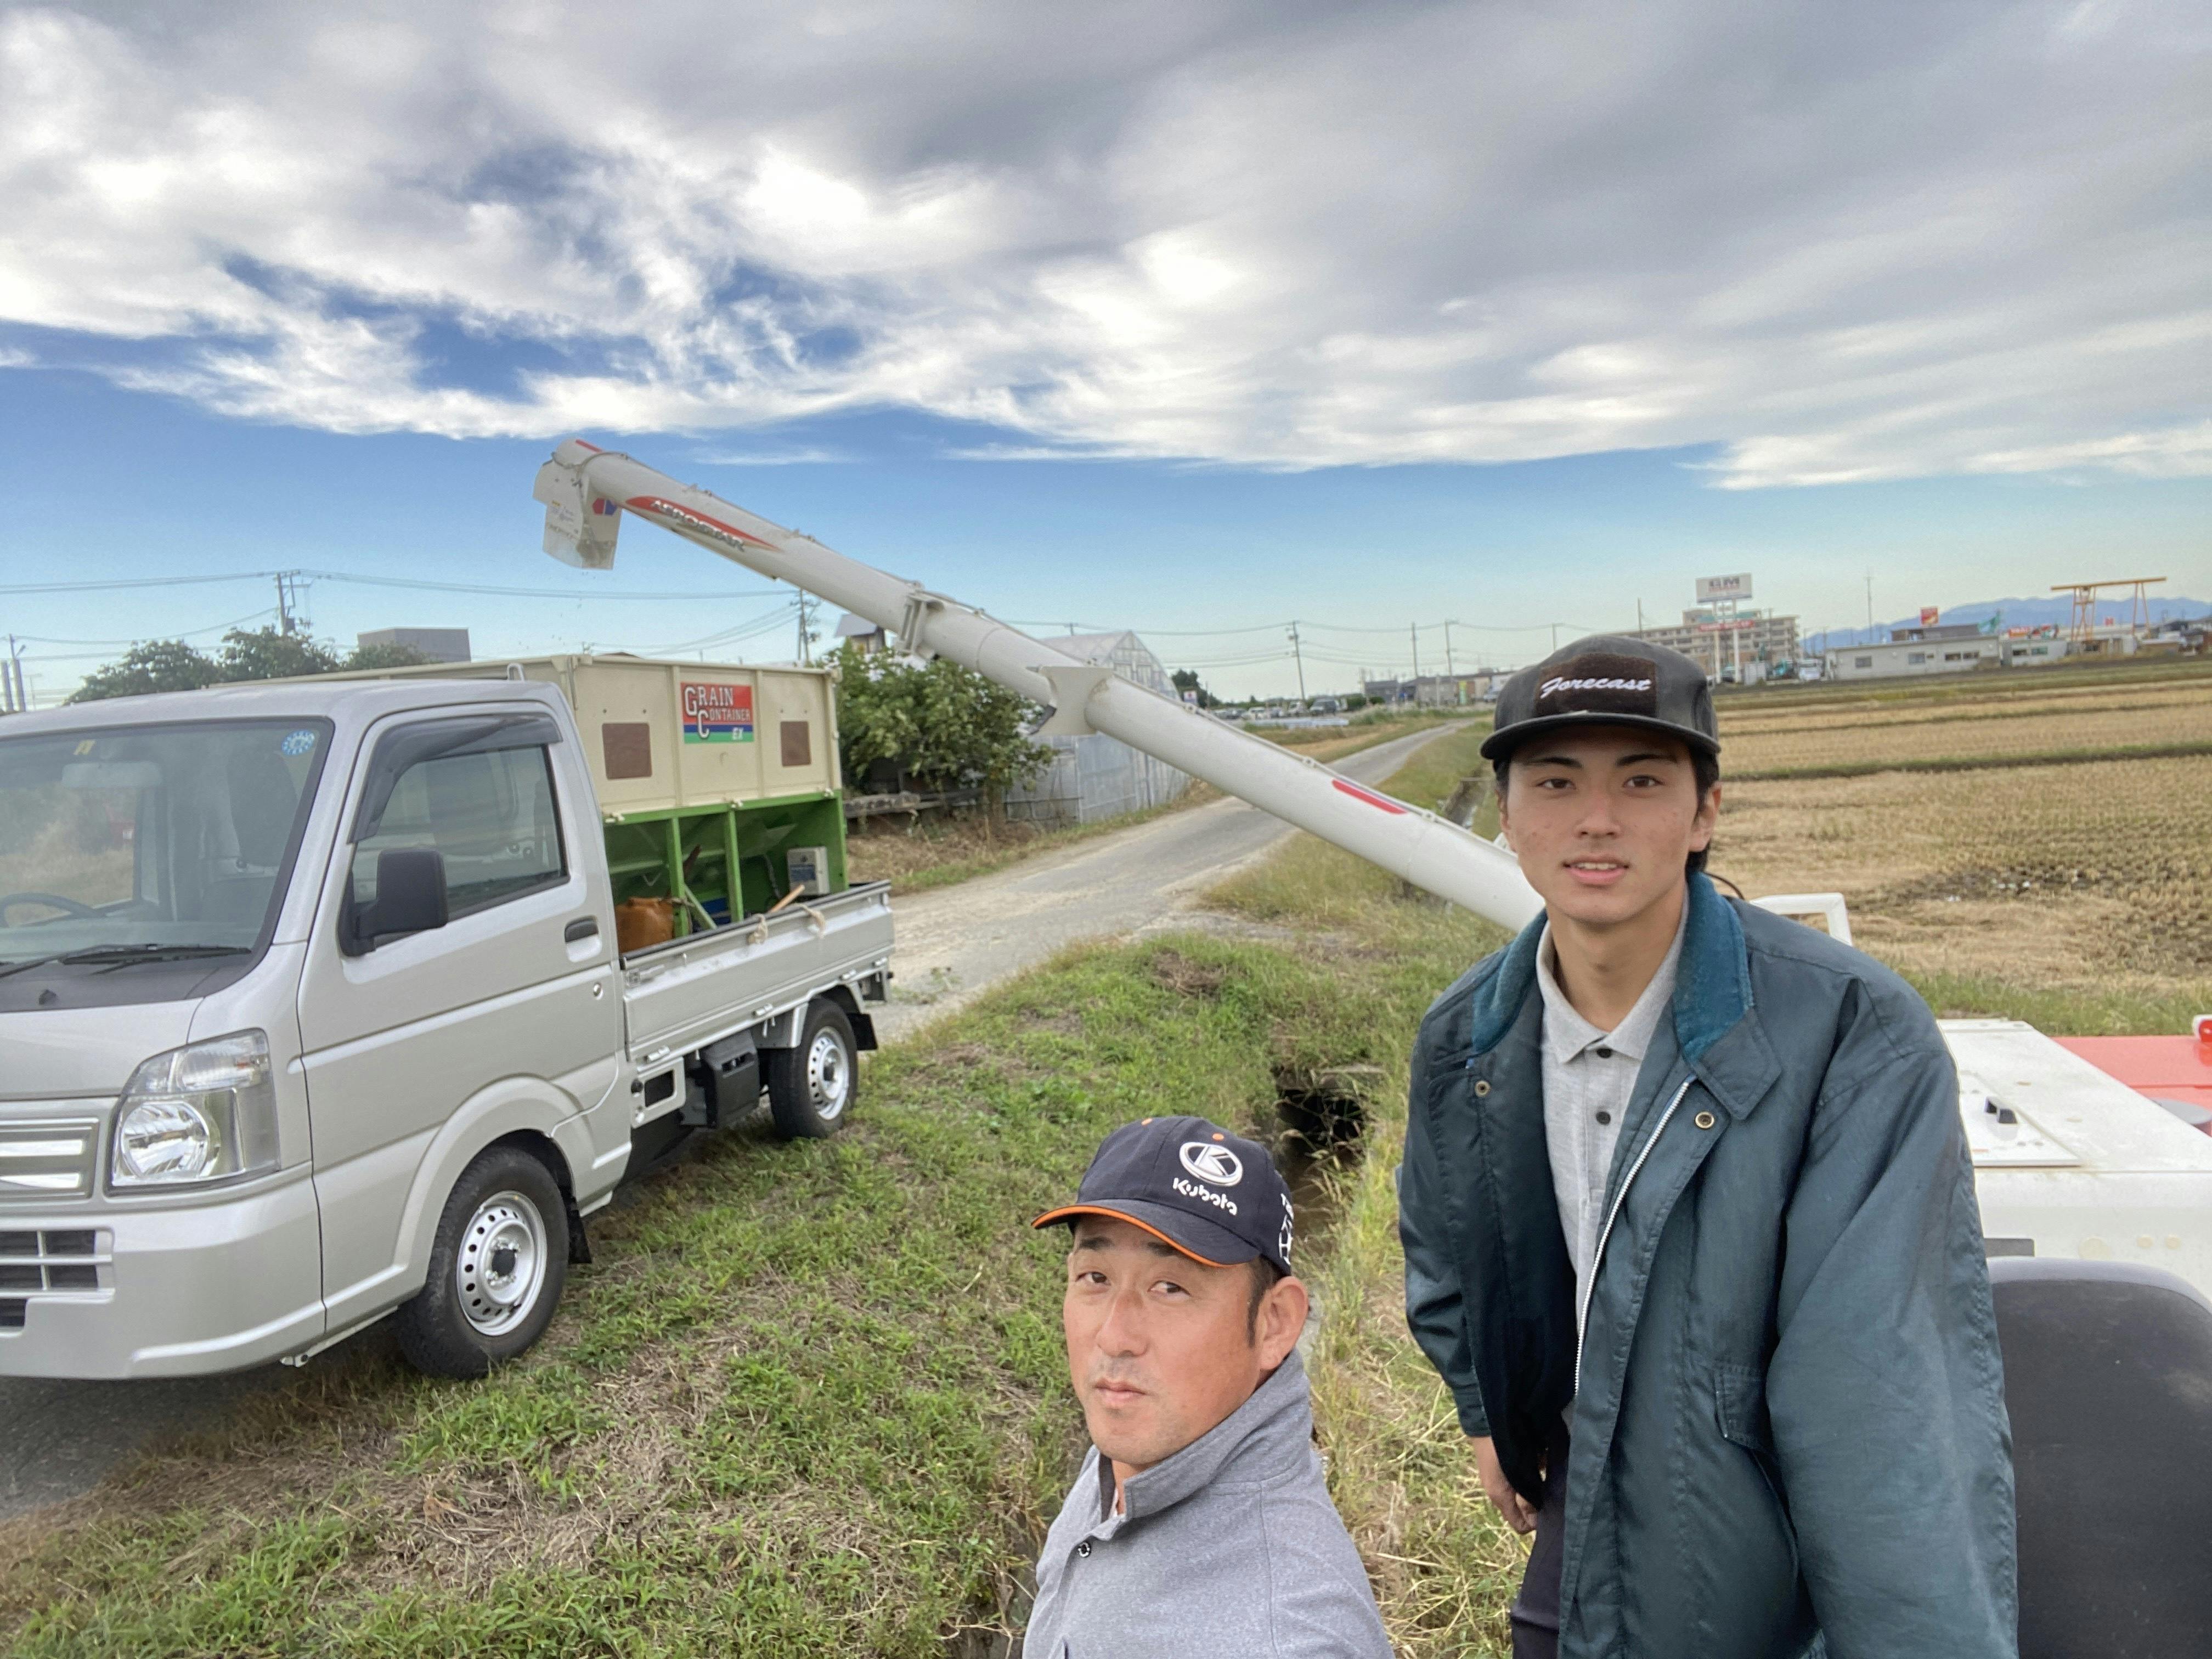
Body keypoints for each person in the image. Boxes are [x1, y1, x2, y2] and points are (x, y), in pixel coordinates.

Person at [1397, 636, 2017, 1658]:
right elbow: (1443, 1241)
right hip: (1586, 1485)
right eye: (1555, 781)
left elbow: (1878, 1391)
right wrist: (1485, 1411)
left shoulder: (1848, 1032)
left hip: (1762, 1518)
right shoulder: (1467, 1037)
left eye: (1642, 780)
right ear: (1505, 814)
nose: (1596, 818)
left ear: (1705, 812)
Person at [1025, 1115, 1395, 1658]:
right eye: (1095, 1278)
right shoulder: (1140, 1444)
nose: (1114, 1336)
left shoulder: (1289, 1638)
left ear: (1274, 1324)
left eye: (1170, 1288)